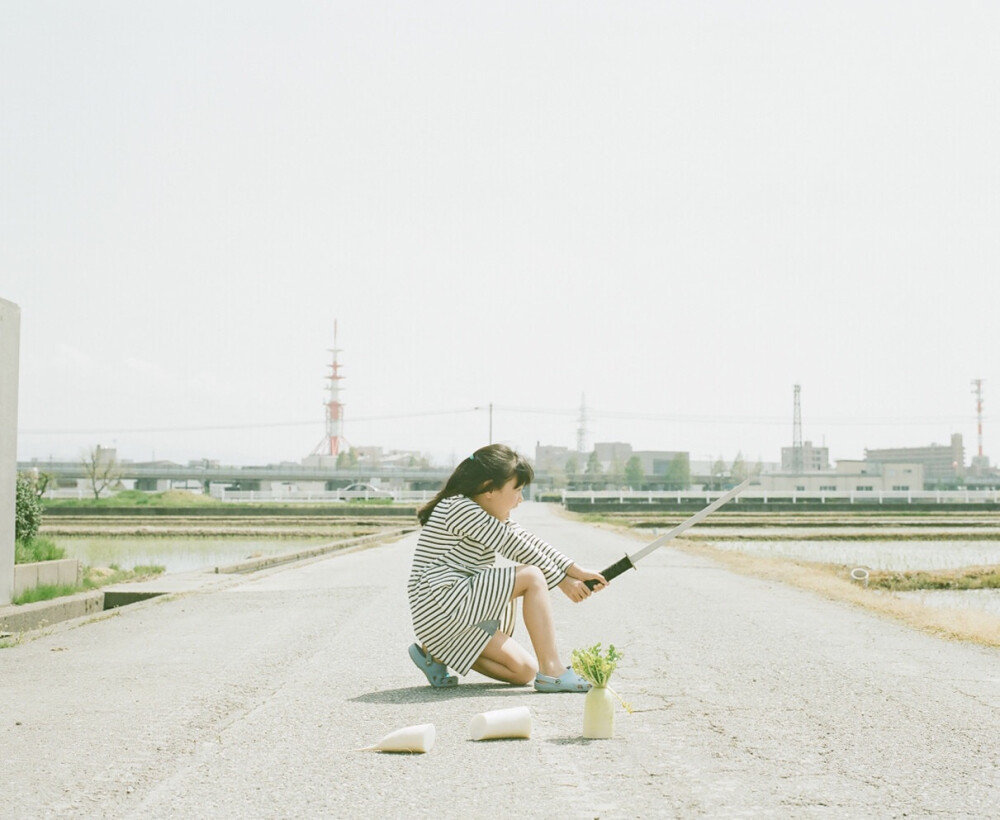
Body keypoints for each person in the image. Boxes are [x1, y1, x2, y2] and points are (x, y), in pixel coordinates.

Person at [407, 443, 606, 692]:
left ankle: (435, 653)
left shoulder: (487, 512)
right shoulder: (459, 508)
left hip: (451, 616)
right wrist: (562, 582)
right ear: (488, 488)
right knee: (532, 577)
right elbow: (513, 546)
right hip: (442, 602)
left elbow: (527, 540)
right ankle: (553, 670)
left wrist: (575, 570)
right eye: (517, 489)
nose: (521, 499)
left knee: (524, 671)